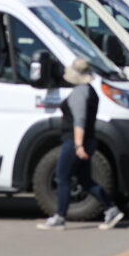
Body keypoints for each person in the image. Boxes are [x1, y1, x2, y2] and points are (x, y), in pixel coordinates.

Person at [38, 58, 124, 231]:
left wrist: (78, 145)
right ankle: (112, 210)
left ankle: (59, 218)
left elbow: (79, 120)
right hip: (89, 140)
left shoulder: (80, 92)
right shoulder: (90, 91)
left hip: (75, 141)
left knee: (62, 177)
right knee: (85, 180)